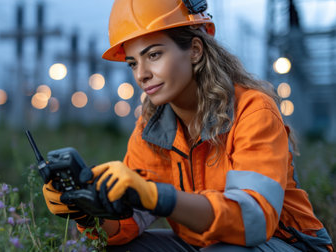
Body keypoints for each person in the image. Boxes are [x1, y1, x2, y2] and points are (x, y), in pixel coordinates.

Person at [43, 0, 334, 251]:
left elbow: (253, 221)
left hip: (284, 246)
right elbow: (129, 223)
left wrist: (158, 196)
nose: (142, 74)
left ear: (195, 50)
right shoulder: (152, 129)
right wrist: (87, 213)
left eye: (154, 55)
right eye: (132, 63)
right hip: (205, 245)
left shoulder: (252, 111)